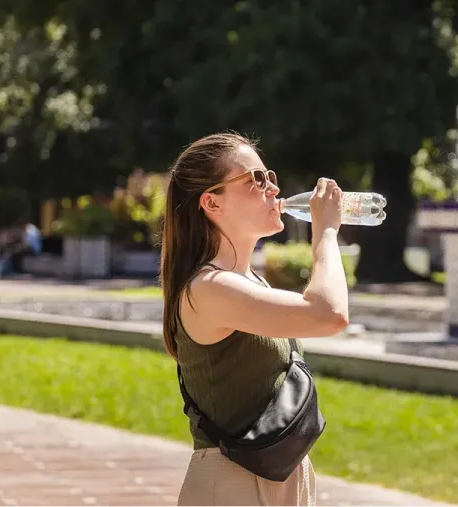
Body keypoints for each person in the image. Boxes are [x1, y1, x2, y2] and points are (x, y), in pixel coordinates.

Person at [160, 133, 349, 506]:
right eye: (255, 180)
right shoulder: (209, 288)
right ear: (212, 202)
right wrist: (326, 232)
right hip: (233, 485)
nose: (272, 188)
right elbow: (329, 315)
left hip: (278, 477)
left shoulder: (248, 282)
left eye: (269, 176)